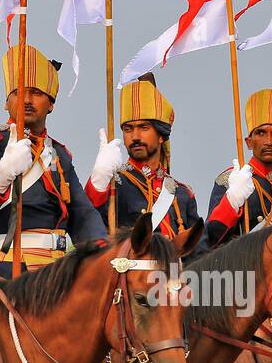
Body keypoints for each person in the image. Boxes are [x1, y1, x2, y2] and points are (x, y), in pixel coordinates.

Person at [0, 43, 107, 275]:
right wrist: (4, 172)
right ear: (6, 102)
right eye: (18, 92)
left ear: (51, 104)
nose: (27, 100)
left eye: (37, 93)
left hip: (58, 271)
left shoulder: (59, 154)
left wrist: (103, 250)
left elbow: (81, 213)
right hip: (10, 268)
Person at [84, 74, 202, 246]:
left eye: (144, 128)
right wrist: (98, 179)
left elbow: (199, 251)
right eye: (128, 129)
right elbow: (85, 227)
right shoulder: (114, 185)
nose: (135, 136)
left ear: (161, 136)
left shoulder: (182, 194)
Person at [204, 86, 272, 247]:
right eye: (261, 133)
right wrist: (231, 202)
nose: (269, 141)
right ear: (249, 142)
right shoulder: (230, 182)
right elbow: (209, 241)